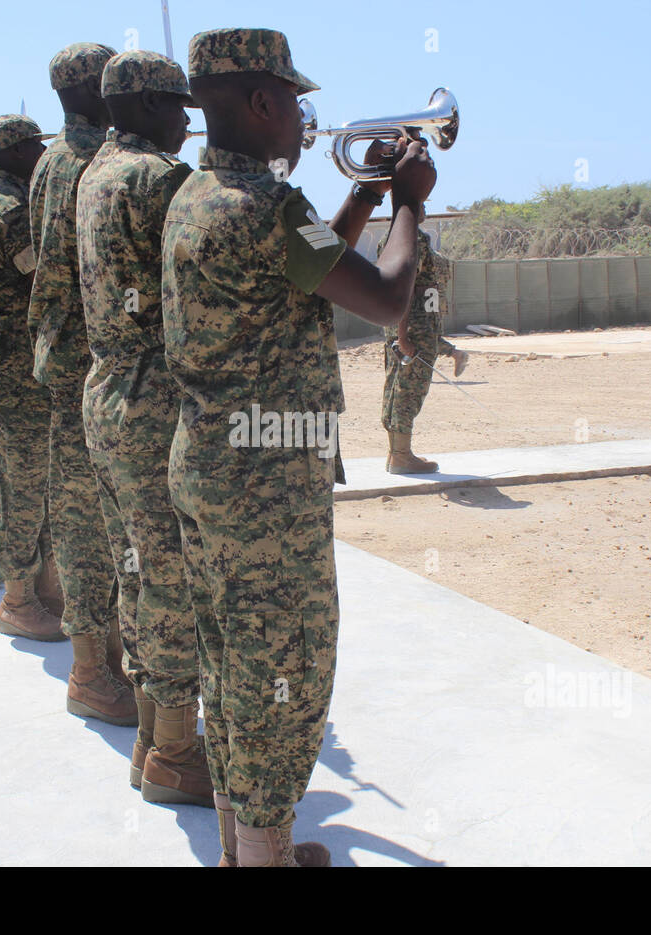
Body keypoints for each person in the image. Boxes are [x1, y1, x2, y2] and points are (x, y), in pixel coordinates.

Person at [163, 27, 436, 865]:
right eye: (292, 99)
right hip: (267, 487)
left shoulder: (199, 196)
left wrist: (364, 197)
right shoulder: (268, 208)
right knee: (285, 667)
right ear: (260, 102)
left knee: (229, 659)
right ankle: (265, 856)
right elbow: (386, 299)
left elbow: (314, 265)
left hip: (210, 466)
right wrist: (410, 201)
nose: (302, 118)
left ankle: (243, 848)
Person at [76, 49, 210, 803]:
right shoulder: (159, 179)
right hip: (155, 400)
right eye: (178, 106)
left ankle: (153, 740)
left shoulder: (95, 172)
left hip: (108, 392)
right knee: (173, 578)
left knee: (137, 568)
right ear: (150, 104)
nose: (188, 122)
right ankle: (175, 753)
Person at [28, 42, 135, 724]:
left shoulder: (51, 160)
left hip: (66, 357)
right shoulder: (94, 162)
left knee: (81, 517)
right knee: (95, 525)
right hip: (91, 360)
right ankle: (95, 672)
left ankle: (97, 662)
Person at [0, 113, 63, 640]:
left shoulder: (0, 202)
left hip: (12, 370)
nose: (40, 154)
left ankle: (35, 591)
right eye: (33, 146)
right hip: (17, 374)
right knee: (24, 487)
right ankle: (19, 600)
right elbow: (40, 281)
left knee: (25, 482)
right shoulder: (10, 211)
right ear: (11, 152)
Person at [378, 215, 463, 472]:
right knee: (408, 394)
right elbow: (406, 285)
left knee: (396, 392)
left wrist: (399, 333)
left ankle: (396, 454)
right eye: (421, 202)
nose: (425, 207)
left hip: (401, 326)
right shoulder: (413, 238)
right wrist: (404, 336)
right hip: (414, 330)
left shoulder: (388, 238)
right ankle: (401, 457)